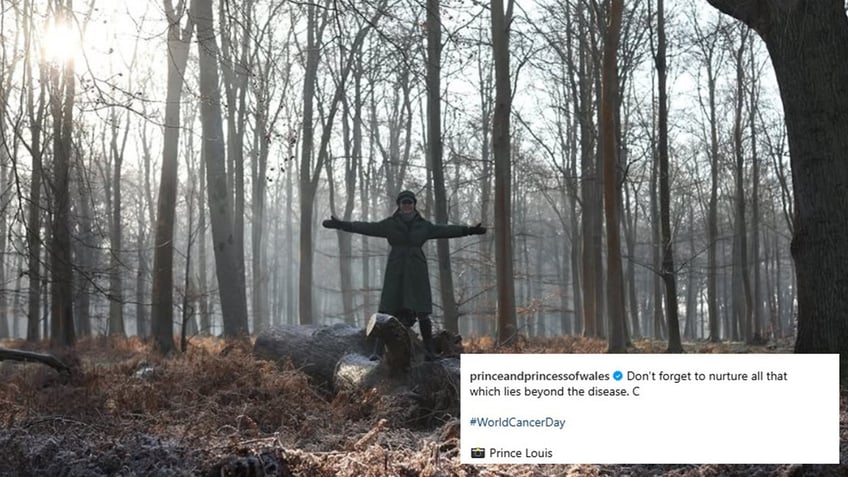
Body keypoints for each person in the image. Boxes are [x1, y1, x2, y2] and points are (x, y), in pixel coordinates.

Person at [322, 189, 486, 360]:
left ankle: (429, 351)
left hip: (417, 270)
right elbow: (366, 227)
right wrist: (342, 225)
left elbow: (445, 230)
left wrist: (469, 230)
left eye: (410, 203)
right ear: (399, 206)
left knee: (422, 310)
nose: (407, 206)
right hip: (396, 270)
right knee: (387, 309)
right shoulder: (390, 224)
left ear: (414, 205)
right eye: (404, 203)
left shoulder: (424, 226)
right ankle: (377, 352)